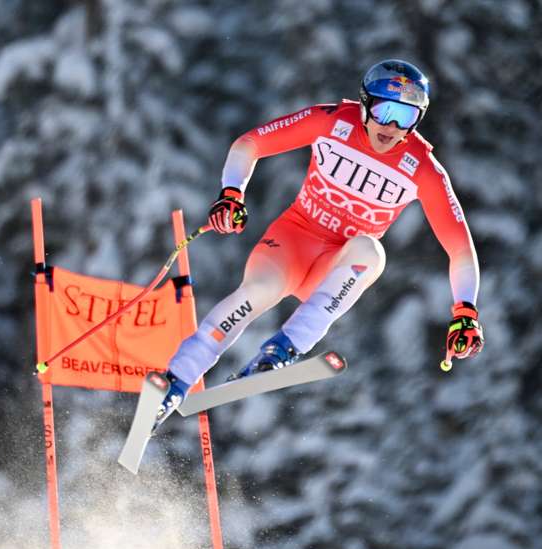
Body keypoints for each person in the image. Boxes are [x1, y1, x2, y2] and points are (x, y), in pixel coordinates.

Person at [155, 59, 484, 426]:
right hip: (292, 242)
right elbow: (250, 143)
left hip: (335, 267)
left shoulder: (421, 166)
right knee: (256, 293)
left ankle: (283, 348)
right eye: (385, 110)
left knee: (370, 251)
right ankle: (175, 383)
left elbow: (460, 248)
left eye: (406, 117)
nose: (391, 126)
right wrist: (232, 194)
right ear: (365, 105)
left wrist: (465, 311)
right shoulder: (332, 121)